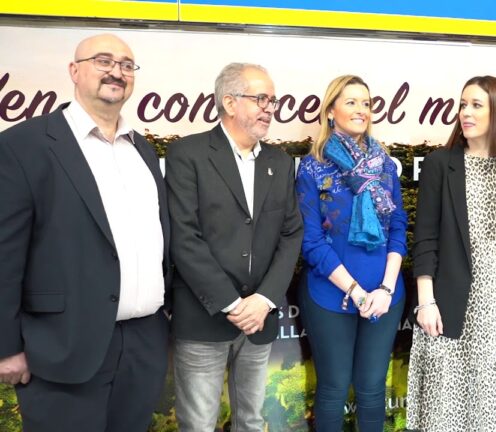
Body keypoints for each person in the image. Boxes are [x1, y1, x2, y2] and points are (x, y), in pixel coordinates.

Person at [0, 34, 170, 432]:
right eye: (103, 60)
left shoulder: (142, 149)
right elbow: (4, 257)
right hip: (63, 346)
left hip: (142, 343)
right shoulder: (23, 145)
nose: (117, 71)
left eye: (127, 65)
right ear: (74, 71)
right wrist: (6, 348)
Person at [165, 63, 303, 432]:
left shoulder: (280, 161)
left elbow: (291, 235)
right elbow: (184, 237)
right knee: (198, 424)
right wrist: (232, 304)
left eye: (272, 100)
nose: (269, 108)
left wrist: (263, 300)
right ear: (229, 102)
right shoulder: (188, 155)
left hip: (260, 318)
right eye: (260, 98)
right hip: (203, 316)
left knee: (252, 421)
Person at [406, 75, 496, 431]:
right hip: (449, 305)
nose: (465, 112)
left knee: (489, 411)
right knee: (444, 412)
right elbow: (425, 239)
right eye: (463, 104)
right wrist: (426, 302)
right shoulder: (441, 164)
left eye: (476, 105)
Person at [295, 75, 407, 431]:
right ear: (331, 111)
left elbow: (398, 229)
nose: (361, 110)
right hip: (331, 295)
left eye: (366, 103)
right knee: (333, 389)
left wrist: (386, 289)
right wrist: (356, 292)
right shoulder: (312, 169)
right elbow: (311, 242)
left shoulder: (385, 166)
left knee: (373, 389)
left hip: (385, 296)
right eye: (351, 102)